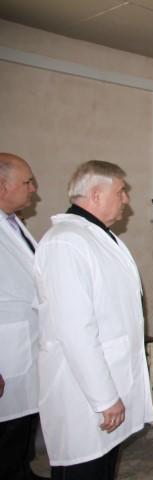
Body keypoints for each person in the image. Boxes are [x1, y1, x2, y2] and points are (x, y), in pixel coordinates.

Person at [34, 160, 153, 480]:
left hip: (109, 379)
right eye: (121, 191)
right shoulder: (65, 241)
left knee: (103, 468)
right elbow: (74, 329)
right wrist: (105, 398)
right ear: (96, 194)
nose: (126, 199)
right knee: (83, 469)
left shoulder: (99, 236)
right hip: (85, 394)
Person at [0, 153, 48, 480]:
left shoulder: (14, 224)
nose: (33, 189)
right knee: (7, 434)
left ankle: (22, 471)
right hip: (7, 354)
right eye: (27, 182)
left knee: (23, 427)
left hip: (27, 346)